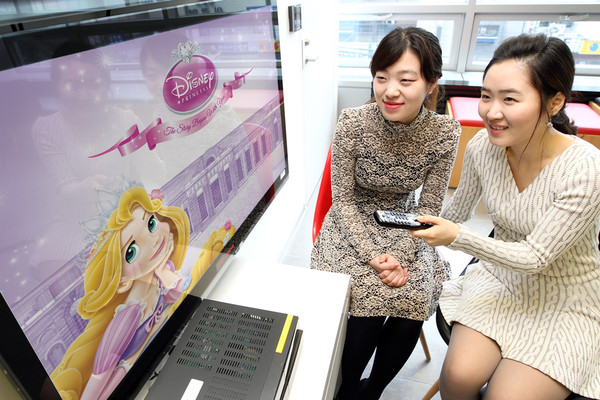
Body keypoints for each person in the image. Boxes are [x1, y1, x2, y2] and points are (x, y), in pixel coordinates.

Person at [412, 33, 600, 400]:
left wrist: (456, 237)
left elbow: (535, 257)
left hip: (566, 299)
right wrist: (409, 226)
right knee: (458, 379)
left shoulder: (586, 169)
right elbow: (456, 213)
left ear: (555, 102)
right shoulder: (483, 147)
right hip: (500, 279)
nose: (491, 112)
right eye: (486, 96)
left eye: (509, 99)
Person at [310, 27, 461, 399]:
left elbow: (429, 207)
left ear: (431, 83)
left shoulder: (445, 133)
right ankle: (348, 390)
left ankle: (372, 390)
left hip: (405, 223)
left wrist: (401, 257)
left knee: (413, 298)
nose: (390, 91)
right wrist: (374, 257)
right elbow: (343, 201)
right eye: (381, 78)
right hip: (351, 223)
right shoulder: (353, 122)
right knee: (370, 300)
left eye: (405, 80)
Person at [50, 187, 191, 400]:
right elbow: (98, 382)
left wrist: (165, 273)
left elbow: (171, 300)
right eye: (132, 252)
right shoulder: (129, 315)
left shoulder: (159, 278)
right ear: (122, 281)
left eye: (151, 223)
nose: (153, 239)